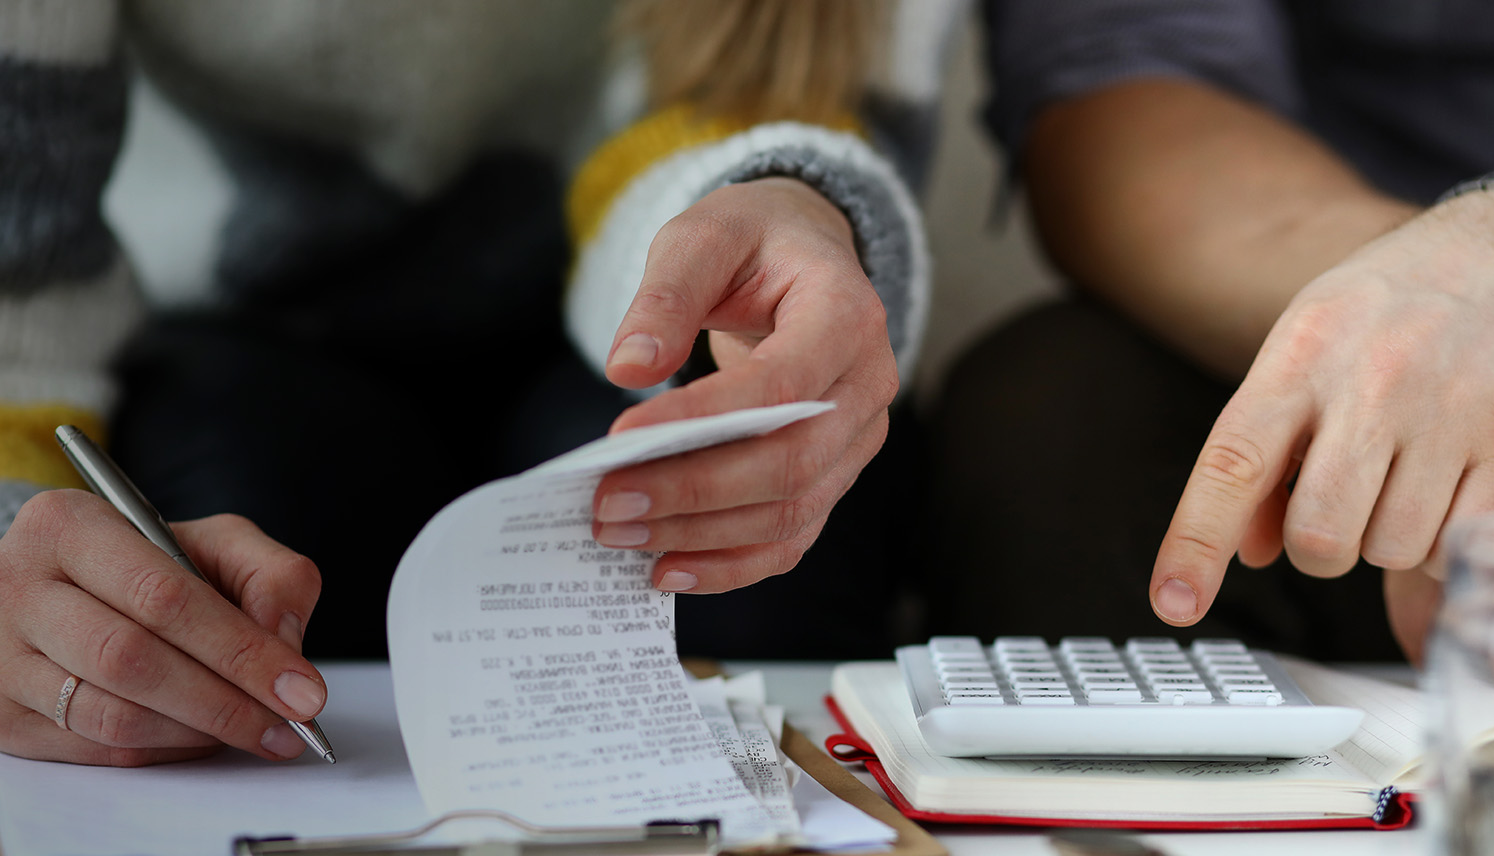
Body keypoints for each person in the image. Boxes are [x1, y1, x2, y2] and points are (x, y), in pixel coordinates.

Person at [0, 0, 964, 766]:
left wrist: (788, 208)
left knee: (740, 532)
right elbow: (20, 243)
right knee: (232, 543)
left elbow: (757, 103)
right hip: (246, 329)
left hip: (642, 301)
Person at [927, 1, 1494, 673]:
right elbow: (1129, 94)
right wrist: (1460, 328)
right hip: (1334, 275)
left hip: (1493, 385)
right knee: (1064, 405)